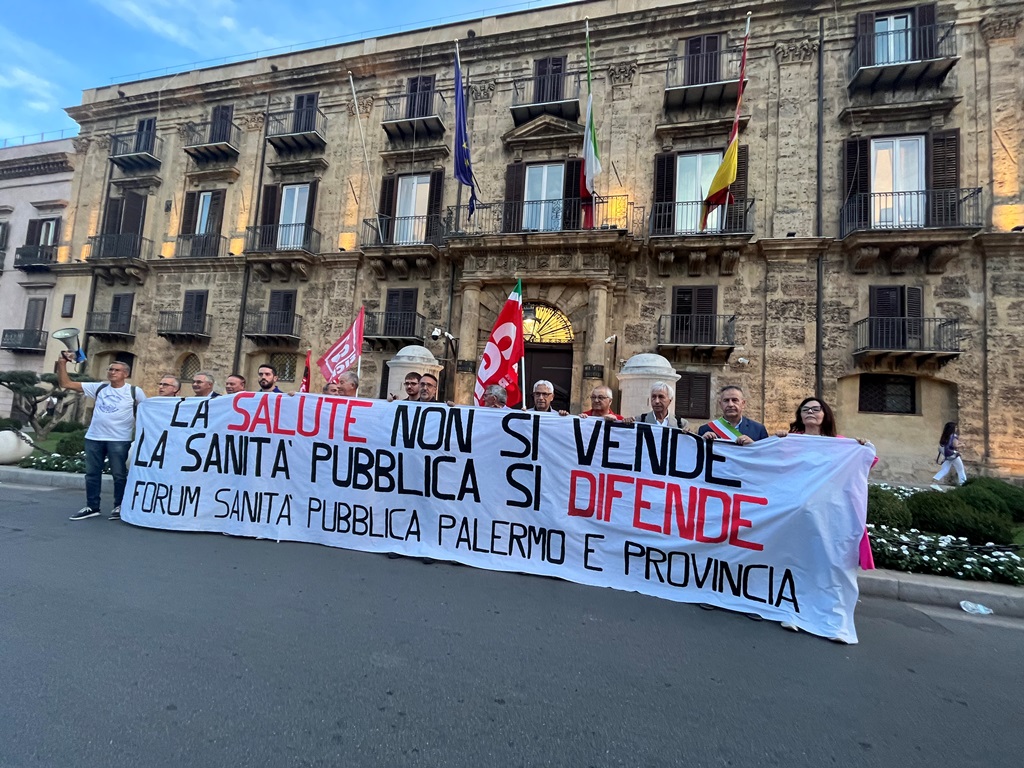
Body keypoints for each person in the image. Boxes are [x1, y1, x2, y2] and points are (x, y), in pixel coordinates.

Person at [777, 396, 876, 636]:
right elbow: (775, 465)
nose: (810, 412)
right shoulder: (791, 441)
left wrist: (864, 446)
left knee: (827, 564)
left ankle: (830, 614)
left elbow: (866, 464)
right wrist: (777, 443)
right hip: (799, 513)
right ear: (800, 415)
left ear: (825, 414)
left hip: (830, 515)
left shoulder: (840, 444)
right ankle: (791, 610)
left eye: (816, 409)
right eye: (805, 409)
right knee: (797, 561)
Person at [56, 354, 146, 521]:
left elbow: (147, 412)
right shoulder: (99, 388)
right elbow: (66, 384)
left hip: (119, 439)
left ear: (125, 374)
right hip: (94, 438)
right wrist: (62, 363)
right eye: (110, 369)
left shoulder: (134, 392)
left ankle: (119, 506)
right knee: (92, 473)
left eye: (116, 370)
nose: (112, 372)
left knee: (119, 474)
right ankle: (92, 506)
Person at [698, 385, 768, 445]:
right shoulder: (705, 429)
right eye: (726, 400)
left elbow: (766, 457)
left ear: (743, 403)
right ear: (720, 404)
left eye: (734, 400)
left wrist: (752, 445)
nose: (730, 404)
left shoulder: (758, 429)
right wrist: (702, 442)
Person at [932, 421, 966, 488]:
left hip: (947, 456)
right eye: (955, 427)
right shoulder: (954, 435)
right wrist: (962, 445)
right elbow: (955, 445)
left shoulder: (945, 436)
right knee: (960, 470)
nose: (956, 428)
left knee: (945, 470)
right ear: (952, 428)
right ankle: (963, 485)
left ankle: (934, 482)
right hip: (954, 455)